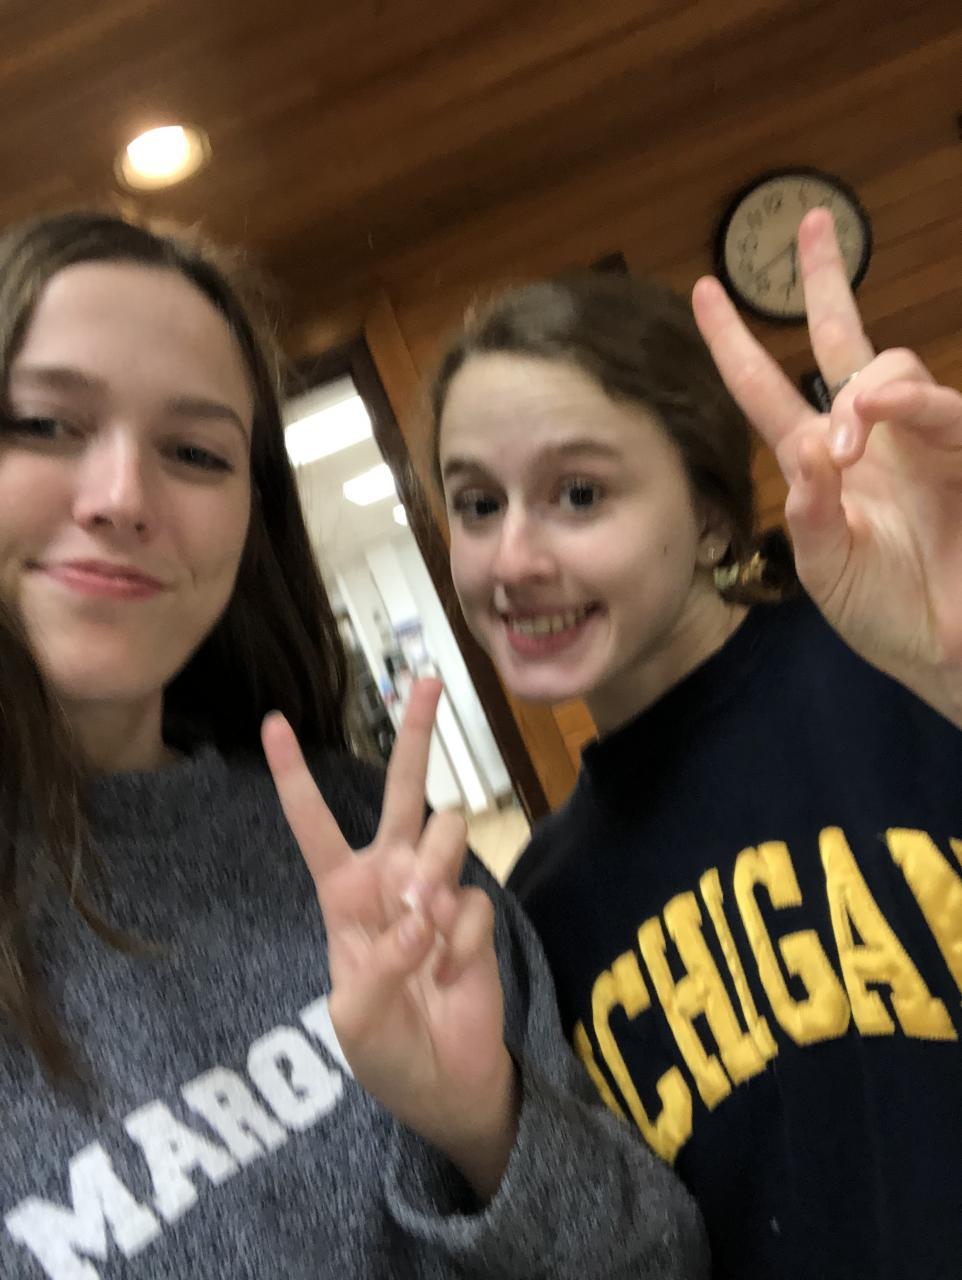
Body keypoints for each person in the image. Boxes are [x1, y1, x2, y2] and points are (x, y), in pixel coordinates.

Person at [0, 211, 707, 1280]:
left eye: (195, 451)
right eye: (45, 423)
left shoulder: (375, 835)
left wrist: (487, 1128)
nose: (122, 498)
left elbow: (657, 1261)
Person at [432, 208, 962, 1280]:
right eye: (476, 503)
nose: (512, 557)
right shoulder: (539, 912)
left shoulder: (903, 670)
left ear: (713, 516)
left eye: (579, 493)